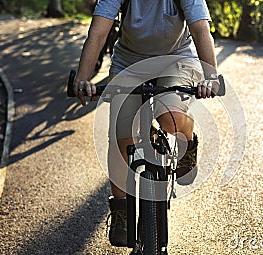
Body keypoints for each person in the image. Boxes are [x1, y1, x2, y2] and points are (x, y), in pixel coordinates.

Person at [73, 0, 219, 247]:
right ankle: (121, 210)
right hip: (129, 64)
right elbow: (98, 33)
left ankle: (188, 141)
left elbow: (200, 30)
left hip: (177, 60)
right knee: (121, 135)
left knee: (169, 115)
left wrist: (211, 77)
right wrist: (83, 78)